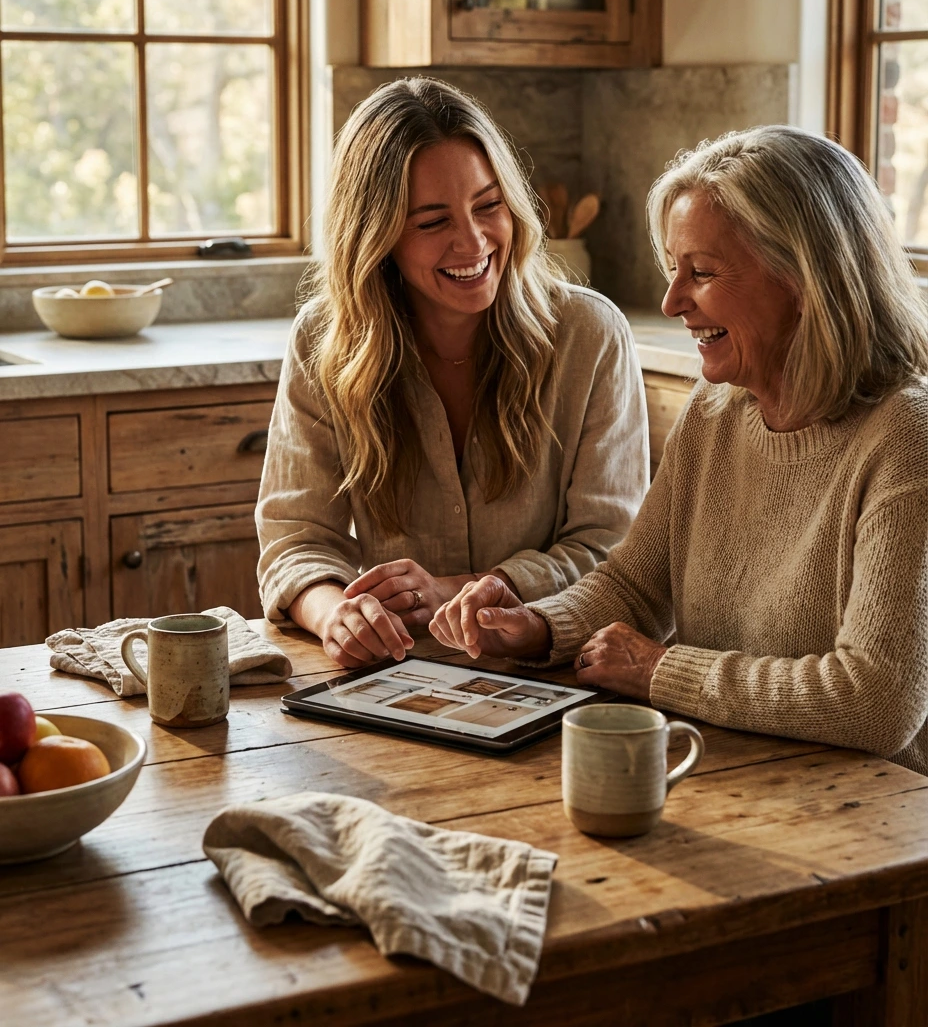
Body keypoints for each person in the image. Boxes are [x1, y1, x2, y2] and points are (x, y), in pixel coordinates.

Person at [430, 125, 928, 776]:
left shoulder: (906, 439)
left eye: (702, 273)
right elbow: (637, 583)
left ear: (803, 279)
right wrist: (537, 627)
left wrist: (662, 671)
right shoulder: (719, 407)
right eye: (673, 270)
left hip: (869, 818)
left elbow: (876, 704)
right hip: (720, 772)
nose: (672, 302)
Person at [256, 77, 648, 669]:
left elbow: (612, 547)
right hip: (397, 677)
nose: (473, 242)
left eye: (489, 206)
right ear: (376, 238)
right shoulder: (323, 341)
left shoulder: (589, 335)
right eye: (433, 221)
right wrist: (335, 614)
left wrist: (462, 587)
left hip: (557, 676)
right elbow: (296, 538)